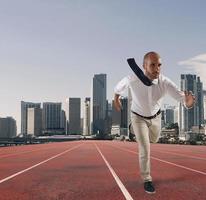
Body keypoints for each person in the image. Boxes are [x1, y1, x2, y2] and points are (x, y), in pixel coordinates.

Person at [113, 52, 195, 194]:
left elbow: (183, 99)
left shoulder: (165, 82)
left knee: (154, 139)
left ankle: (134, 131)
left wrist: (189, 102)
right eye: (152, 65)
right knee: (145, 148)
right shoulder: (132, 79)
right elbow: (117, 89)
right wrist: (116, 99)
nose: (157, 69)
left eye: (159, 65)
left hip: (156, 118)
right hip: (138, 117)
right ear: (144, 66)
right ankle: (147, 179)